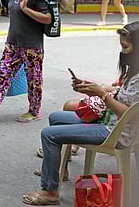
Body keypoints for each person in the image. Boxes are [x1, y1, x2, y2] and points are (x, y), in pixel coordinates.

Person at [22, 22, 139, 206]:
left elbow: (129, 114)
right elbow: (119, 92)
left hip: (115, 132)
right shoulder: (133, 71)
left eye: (126, 47)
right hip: (110, 122)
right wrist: (91, 87)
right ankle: (60, 169)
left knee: (49, 135)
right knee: (55, 117)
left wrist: (100, 94)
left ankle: (50, 191)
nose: (123, 52)